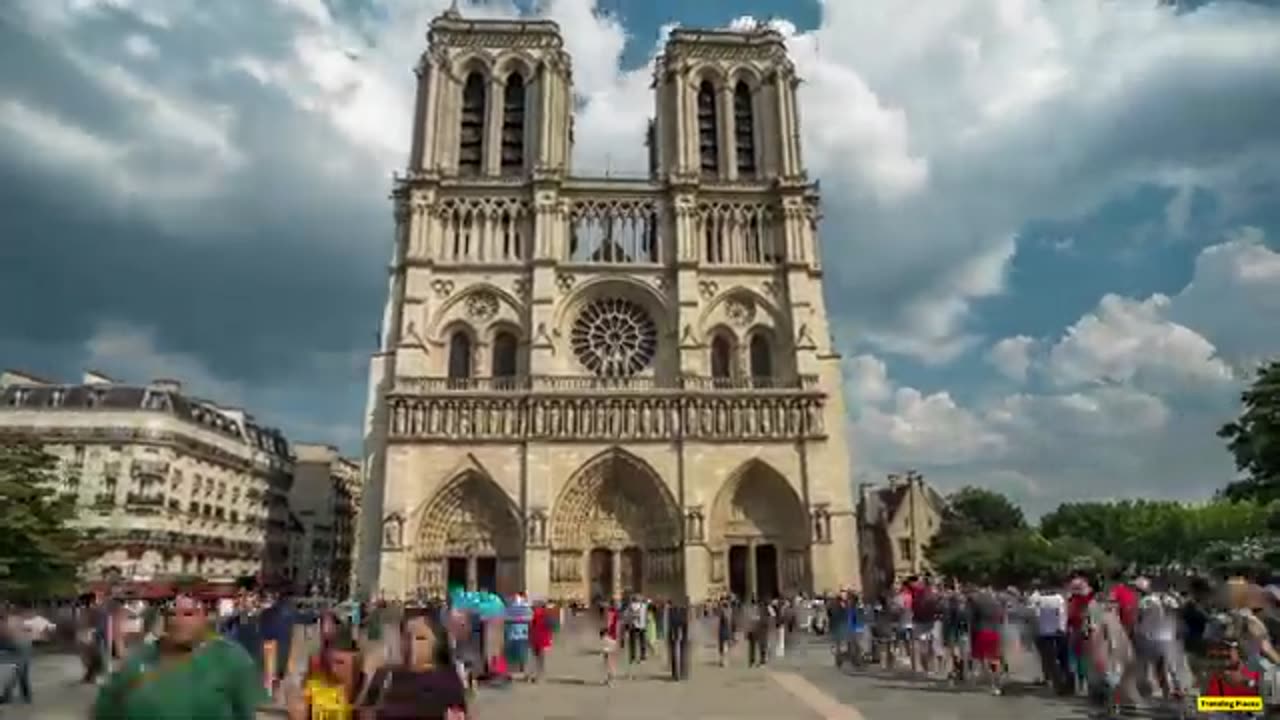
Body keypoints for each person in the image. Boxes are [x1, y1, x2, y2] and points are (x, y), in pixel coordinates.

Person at [91, 591, 267, 720]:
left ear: (206, 617)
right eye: (171, 615)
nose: (178, 620)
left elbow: (247, 712)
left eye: (188, 614)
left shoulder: (231, 659)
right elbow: (105, 709)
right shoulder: (138, 659)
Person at [359, 614, 466, 720]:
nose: (411, 643)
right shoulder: (384, 673)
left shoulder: (447, 679)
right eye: (406, 636)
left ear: (438, 644)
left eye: (420, 638)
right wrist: (369, 677)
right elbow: (365, 714)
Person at [287, 627, 364, 720]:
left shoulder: (355, 685)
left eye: (339, 662)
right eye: (330, 661)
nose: (334, 668)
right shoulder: (314, 683)